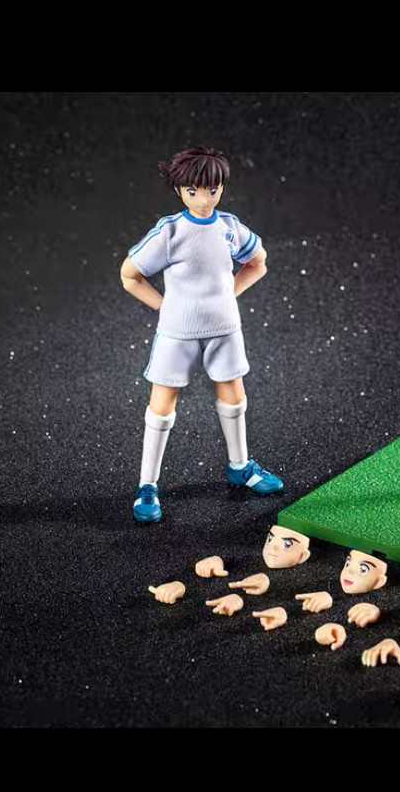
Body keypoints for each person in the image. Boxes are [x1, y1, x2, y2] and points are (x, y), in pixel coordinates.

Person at [120, 144, 284, 522]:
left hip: (224, 330)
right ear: (180, 190)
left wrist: (228, 293)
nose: (203, 198)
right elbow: (130, 275)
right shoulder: (170, 232)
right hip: (177, 333)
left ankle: (240, 466)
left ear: (221, 188)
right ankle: (147, 484)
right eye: (193, 190)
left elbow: (258, 263)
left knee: (234, 396)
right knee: (161, 406)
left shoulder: (229, 227)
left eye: (212, 189)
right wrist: (164, 306)